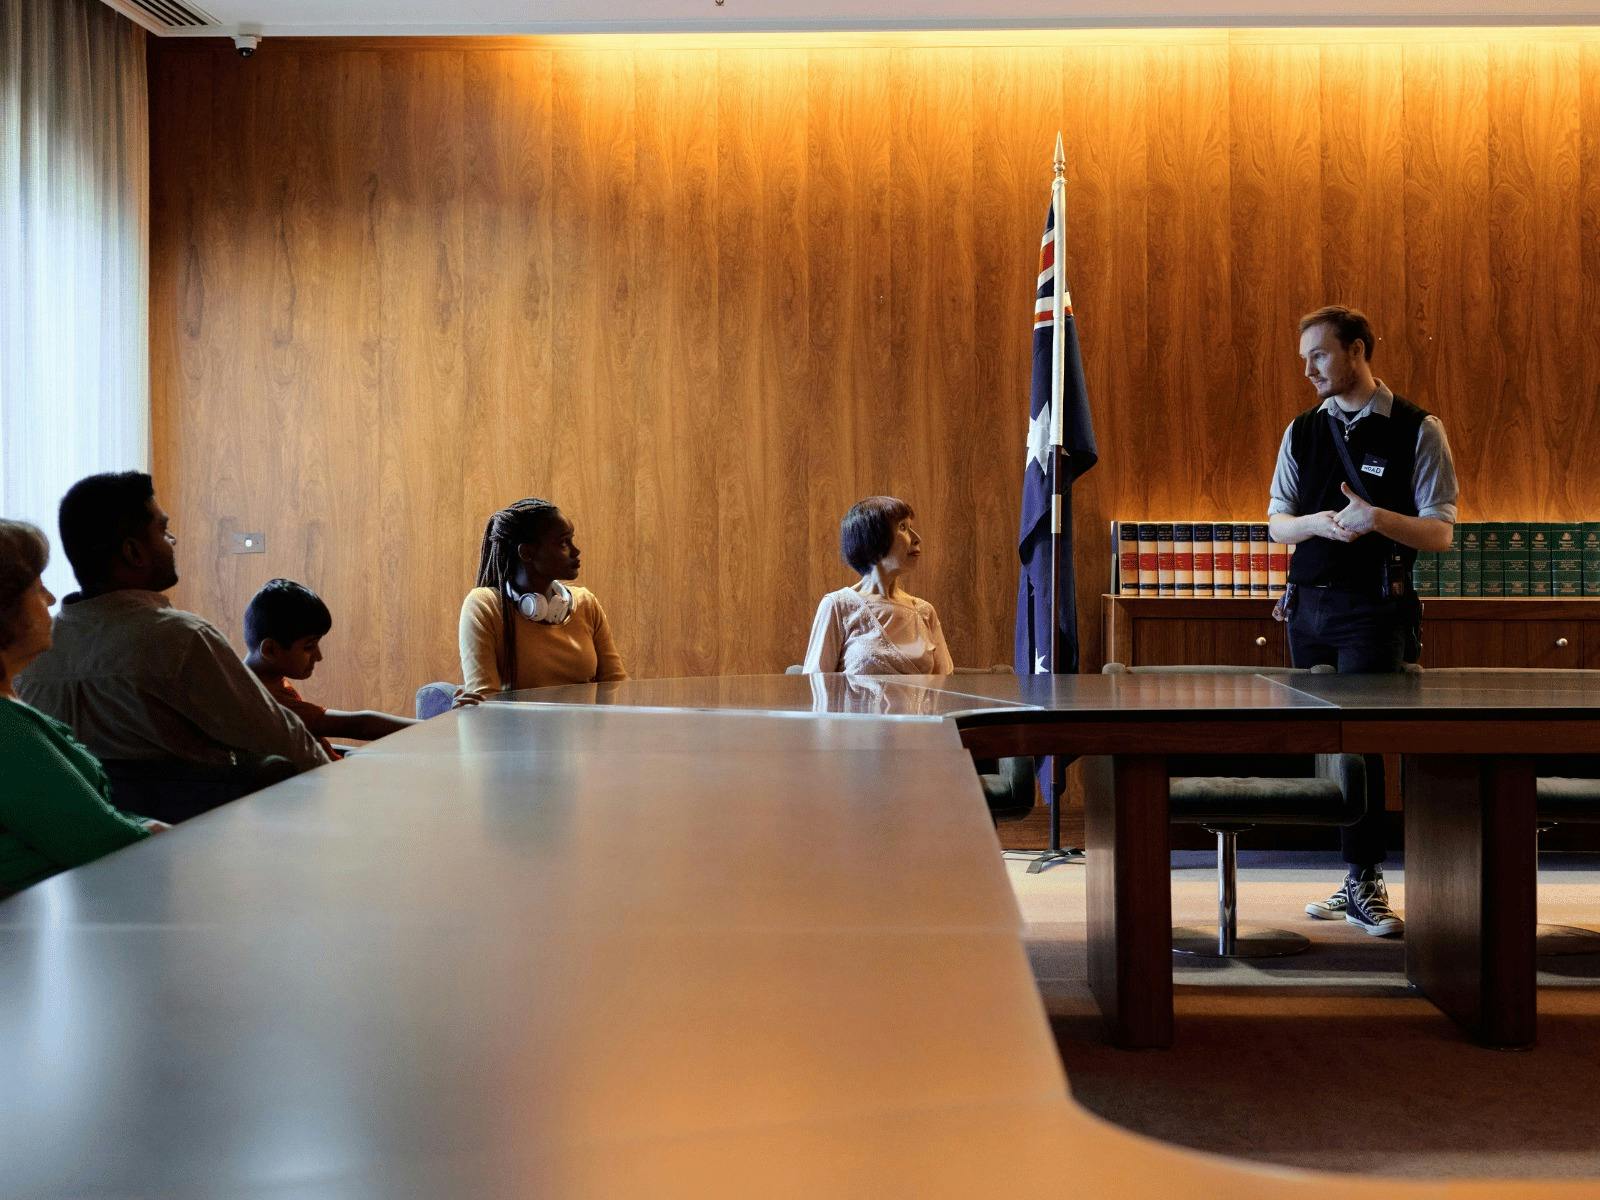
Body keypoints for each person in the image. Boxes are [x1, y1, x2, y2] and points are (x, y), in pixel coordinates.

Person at [1268, 305, 1458, 937]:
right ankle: (1352, 876)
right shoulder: (1300, 432)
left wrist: (1376, 518)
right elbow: (1276, 523)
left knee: (1366, 744)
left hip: (1376, 609)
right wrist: (1317, 525)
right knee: (1325, 745)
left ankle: (1366, 877)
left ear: (1356, 349)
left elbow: (1440, 532)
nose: (1308, 369)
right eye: (1304, 358)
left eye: (1318, 355)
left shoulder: (1417, 428)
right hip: (1307, 607)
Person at [17, 472, 330, 783]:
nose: (172, 541)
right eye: (163, 530)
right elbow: (287, 744)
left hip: (85, 830)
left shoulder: (30, 655)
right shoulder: (183, 640)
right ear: (133, 552)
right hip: (199, 829)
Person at [0, 520, 164, 893]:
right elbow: (99, 842)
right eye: (38, 589)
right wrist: (157, 834)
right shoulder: (3, 727)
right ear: (5, 610)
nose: (52, 600)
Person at [459, 498, 626, 694]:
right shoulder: (485, 606)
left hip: (586, 725)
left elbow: (617, 686)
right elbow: (485, 699)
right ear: (527, 552)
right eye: (563, 543)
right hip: (514, 726)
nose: (576, 551)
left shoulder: (586, 604)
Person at [243, 578, 421, 758]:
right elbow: (359, 725)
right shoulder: (262, 700)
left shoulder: (265, 679)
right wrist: (435, 729)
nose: (319, 656)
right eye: (309, 646)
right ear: (270, 650)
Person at [802, 496, 954, 675]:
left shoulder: (925, 611)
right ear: (872, 537)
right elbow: (815, 687)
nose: (917, 538)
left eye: (911, 528)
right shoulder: (838, 606)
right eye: (903, 527)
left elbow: (945, 685)